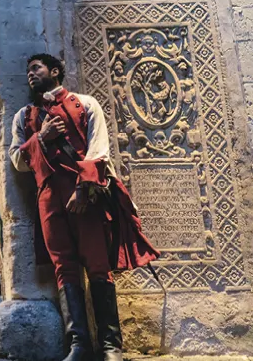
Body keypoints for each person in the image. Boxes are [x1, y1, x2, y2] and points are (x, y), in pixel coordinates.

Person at [9, 54, 159, 361]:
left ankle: (111, 346)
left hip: (85, 193)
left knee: (98, 264)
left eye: (36, 68)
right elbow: (17, 161)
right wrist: (41, 137)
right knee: (63, 267)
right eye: (27, 71)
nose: (30, 74)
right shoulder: (24, 116)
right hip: (48, 196)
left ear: (55, 70)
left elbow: (99, 150)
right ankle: (78, 345)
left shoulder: (85, 103)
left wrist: (83, 188)